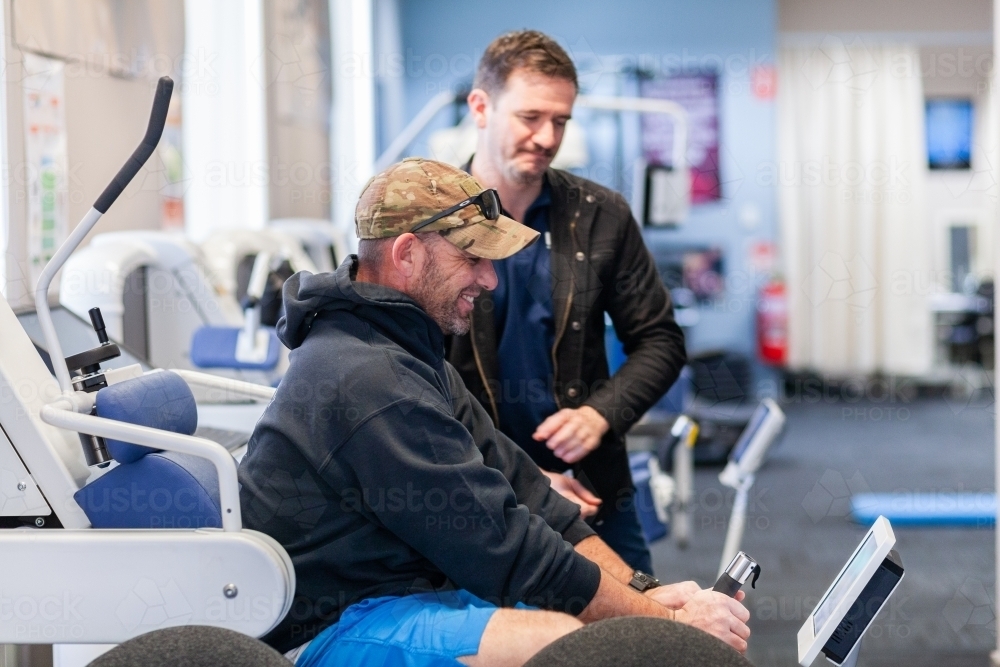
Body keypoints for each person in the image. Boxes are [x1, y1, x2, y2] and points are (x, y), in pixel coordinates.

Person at [238, 158, 749, 666]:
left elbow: (530, 494)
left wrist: (643, 591)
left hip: (406, 591)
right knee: (560, 642)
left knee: (589, 626)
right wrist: (669, 629)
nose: (490, 280)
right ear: (408, 254)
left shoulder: (410, 354)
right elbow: (510, 549)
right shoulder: (369, 379)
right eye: (472, 258)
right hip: (330, 626)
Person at [448, 30, 686, 574]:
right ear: (481, 107)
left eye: (561, 121)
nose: (546, 136)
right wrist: (522, 479)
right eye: (530, 117)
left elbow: (659, 341)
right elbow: (411, 378)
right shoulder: (431, 224)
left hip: (594, 485)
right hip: (475, 487)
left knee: (638, 637)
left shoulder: (602, 215)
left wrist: (601, 414)